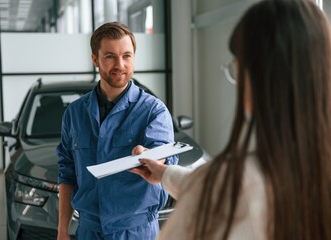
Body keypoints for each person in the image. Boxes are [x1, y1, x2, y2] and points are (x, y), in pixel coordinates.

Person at [130, 0, 331, 239]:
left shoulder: (229, 186)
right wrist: (164, 173)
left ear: (257, 77)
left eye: (236, 67)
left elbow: (217, 191)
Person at [56, 22, 178, 240]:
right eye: (110, 56)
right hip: (89, 230)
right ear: (95, 59)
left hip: (136, 231)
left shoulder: (153, 111)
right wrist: (62, 230)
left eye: (127, 56)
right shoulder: (74, 114)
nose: (120, 64)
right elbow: (67, 173)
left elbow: (166, 159)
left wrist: (151, 159)